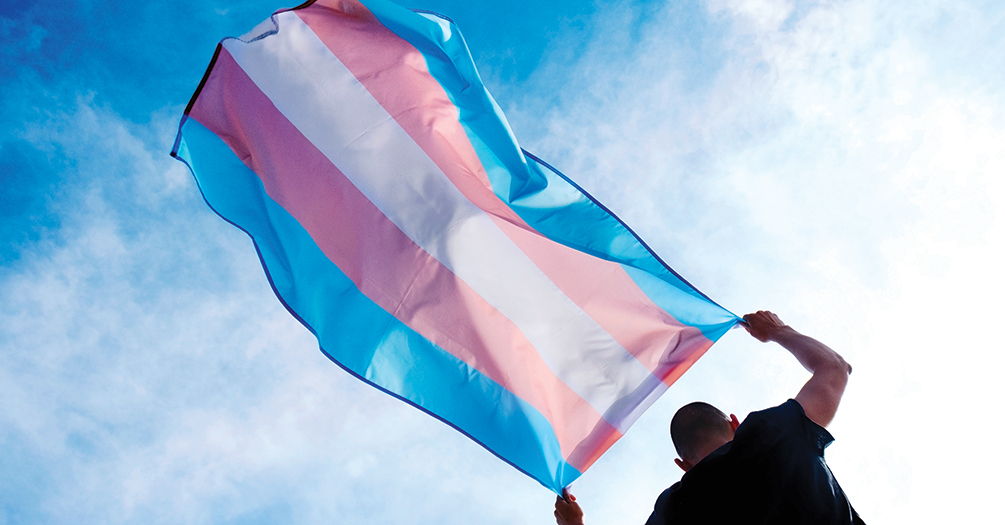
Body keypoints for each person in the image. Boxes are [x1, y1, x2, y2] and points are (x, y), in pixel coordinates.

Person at [554, 311, 864, 525]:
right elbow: (835, 368)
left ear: (683, 466)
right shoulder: (775, 431)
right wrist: (778, 331)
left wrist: (574, 523)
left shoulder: (673, 510)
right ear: (735, 423)